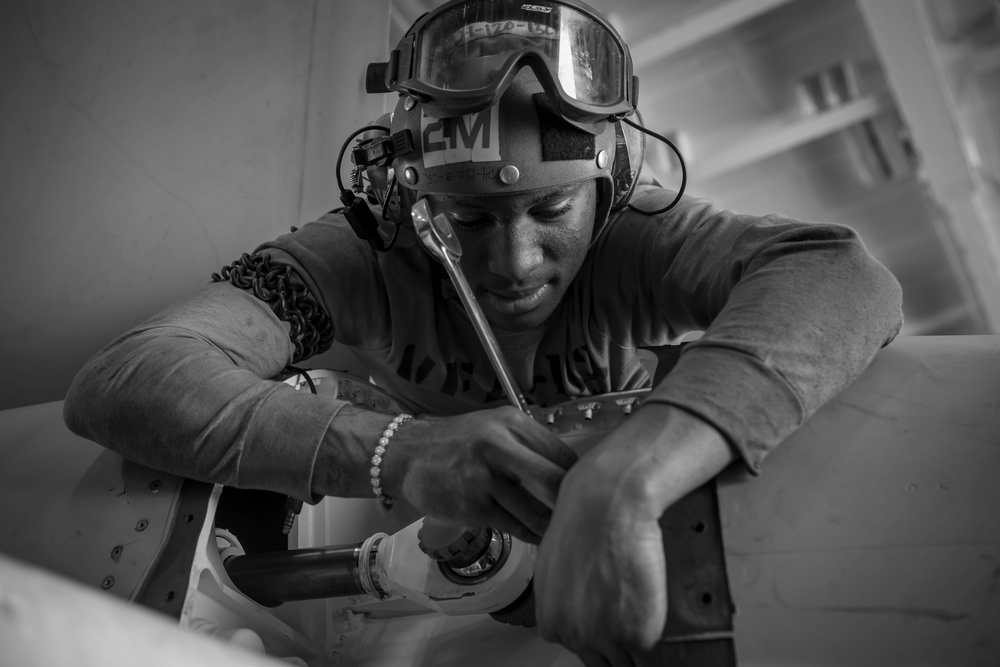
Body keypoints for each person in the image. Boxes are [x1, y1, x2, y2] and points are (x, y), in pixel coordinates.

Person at [63, 0, 903, 664]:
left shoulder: (641, 232)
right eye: (467, 215)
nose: (514, 261)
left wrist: (626, 481)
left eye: (550, 210)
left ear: (609, 183)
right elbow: (127, 377)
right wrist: (405, 452)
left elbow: (843, 276)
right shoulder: (363, 248)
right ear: (401, 197)